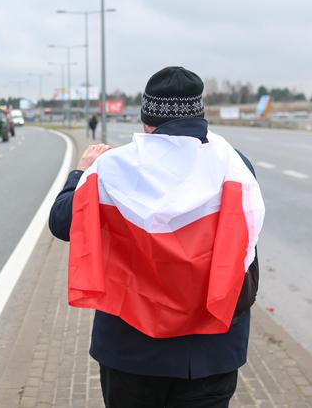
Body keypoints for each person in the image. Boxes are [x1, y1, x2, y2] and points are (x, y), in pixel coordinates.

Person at [49, 66, 265, 408]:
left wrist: (81, 171)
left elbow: (62, 222)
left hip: (131, 352)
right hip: (212, 352)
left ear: (147, 119)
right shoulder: (236, 166)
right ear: (200, 115)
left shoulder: (114, 168)